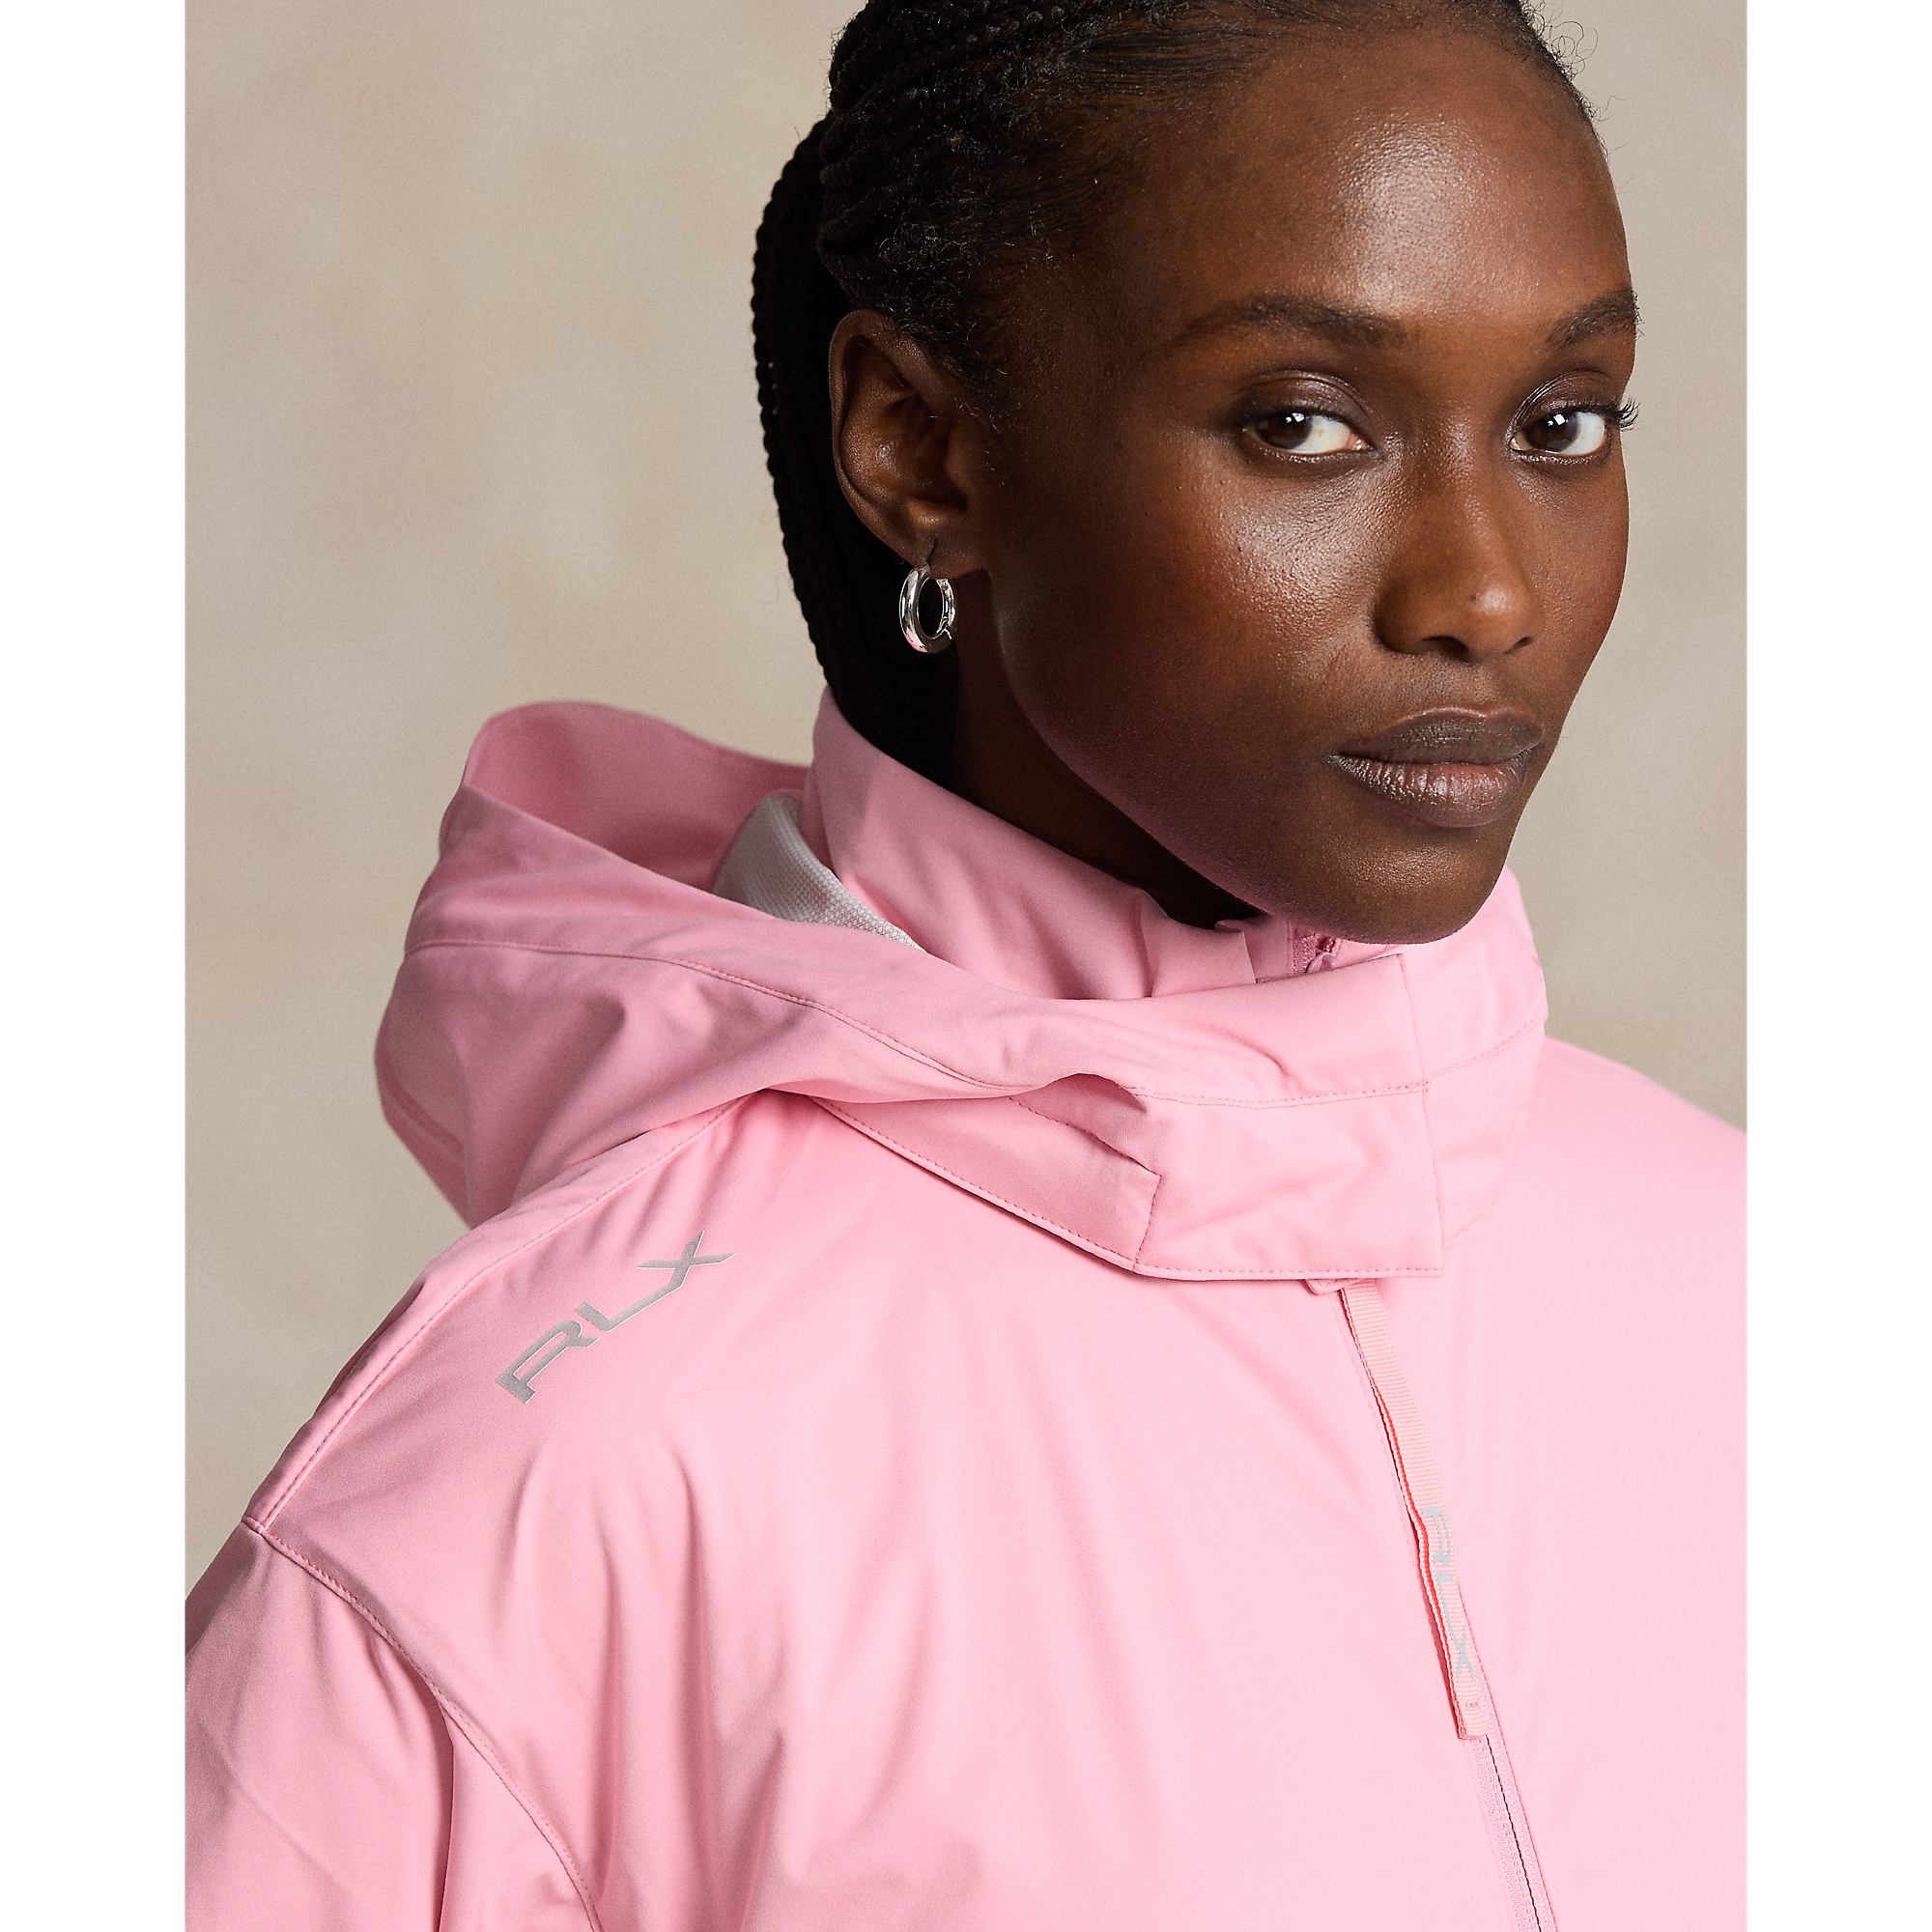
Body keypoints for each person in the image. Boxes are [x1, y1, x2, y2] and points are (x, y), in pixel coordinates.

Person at [185, 2, 1743, 1924]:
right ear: (918, 447)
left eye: (1560, 422)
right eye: (1302, 424)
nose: (1485, 590)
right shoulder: (556, 1470)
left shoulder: (1757, 1273)